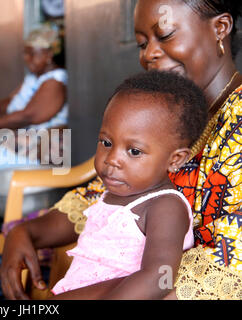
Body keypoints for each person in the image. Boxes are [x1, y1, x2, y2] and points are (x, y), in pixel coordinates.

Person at [0, 0, 242, 300]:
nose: (149, 54)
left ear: (220, 28)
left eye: (165, 36)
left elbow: (228, 264)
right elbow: (105, 201)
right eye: (142, 43)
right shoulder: (159, 116)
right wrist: (25, 232)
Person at [51, 70, 207, 298]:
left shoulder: (165, 207)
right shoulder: (112, 195)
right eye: (106, 142)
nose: (112, 158)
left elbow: (160, 278)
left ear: (175, 160)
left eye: (134, 151)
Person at [0, 25, 68, 176]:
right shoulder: (35, 77)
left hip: (45, 146)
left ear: (49, 55)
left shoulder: (55, 81)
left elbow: (29, 115)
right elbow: (13, 100)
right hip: (26, 139)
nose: (26, 58)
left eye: (32, 54)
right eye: (25, 53)